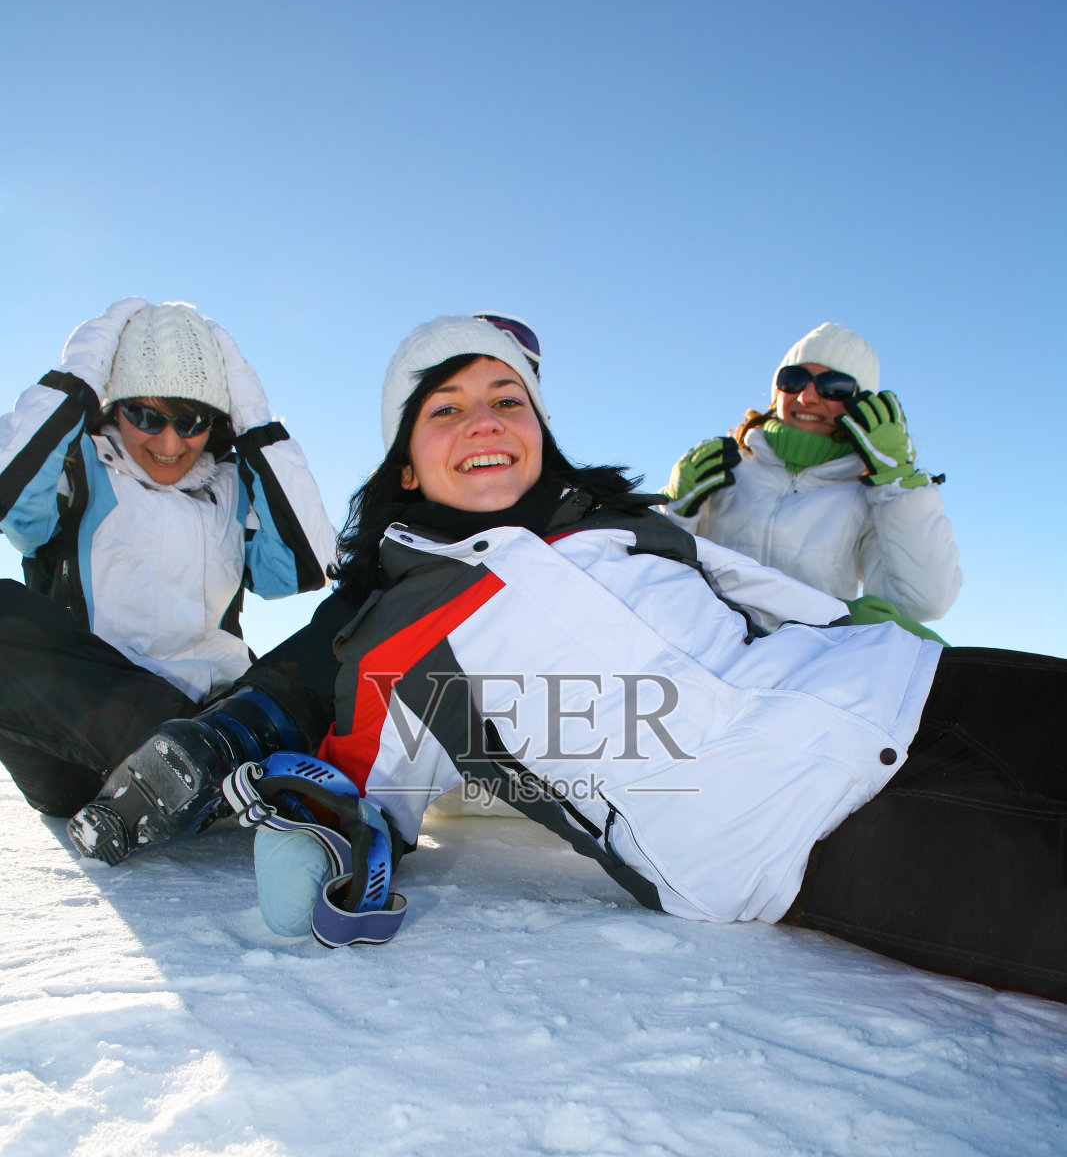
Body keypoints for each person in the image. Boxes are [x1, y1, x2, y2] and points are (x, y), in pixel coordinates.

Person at [65, 317, 1065, 1002]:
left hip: (918, 691)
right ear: (406, 461)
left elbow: (780, 599)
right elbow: (367, 795)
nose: (486, 420)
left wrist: (878, 630)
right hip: (796, 829)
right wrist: (321, 841)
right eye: (445, 409)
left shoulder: (618, 529)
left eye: (508, 399)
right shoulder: (405, 637)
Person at [0, 297, 337, 837]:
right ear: (113, 406)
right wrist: (78, 375)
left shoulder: (231, 486)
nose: (168, 441)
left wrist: (255, 421)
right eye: (145, 416)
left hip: (217, 723)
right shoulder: (74, 467)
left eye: (191, 420)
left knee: (347, 630)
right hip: (81, 745)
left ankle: (201, 758)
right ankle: (187, 762)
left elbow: (307, 565)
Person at [664, 323, 962, 624]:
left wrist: (900, 484)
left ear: (860, 403)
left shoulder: (869, 494)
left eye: (834, 387)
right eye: (794, 380)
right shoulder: (724, 468)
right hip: (703, 646)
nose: (807, 397)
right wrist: (674, 511)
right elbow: (653, 569)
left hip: (805, 660)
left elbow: (923, 603)